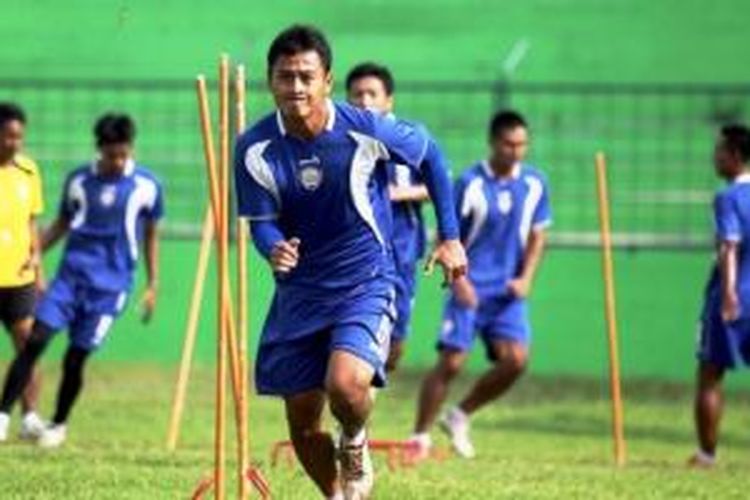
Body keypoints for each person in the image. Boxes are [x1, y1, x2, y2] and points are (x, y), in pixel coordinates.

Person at [235, 25, 466, 499]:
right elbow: (261, 221)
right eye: (285, 77)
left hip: (365, 281)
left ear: (327, 80)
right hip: (299, 291)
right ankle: (338, 494)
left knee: (345, 385)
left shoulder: (364, 127)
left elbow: (432, 156)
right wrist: (272, 246)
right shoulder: (253, 147)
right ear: (270, 80)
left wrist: (450, 237)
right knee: (302, 421)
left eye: (306, 77)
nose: (296, 88)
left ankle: (356, 440)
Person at [0, 112, 163, 448]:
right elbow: (61, 223)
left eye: (124, 154)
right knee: (35, 341)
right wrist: (36, 253)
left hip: (111, 287)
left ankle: (57, 424)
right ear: (99, 149)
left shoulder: (147, 186)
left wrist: (152, 283)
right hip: (70, 279)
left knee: (75, 357)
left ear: (131, 149)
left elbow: (151, 235)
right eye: (111, 154)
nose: (117, 161)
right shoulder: (78, 181)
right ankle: (2, 416)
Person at [411, 110, 551, 459]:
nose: (516, 151)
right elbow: (447, 234)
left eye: (521, 144)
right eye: (508, 143)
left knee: (516, 360)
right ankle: (419, 436)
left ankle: (459, 415)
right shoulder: (470, 182)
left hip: (507, 292)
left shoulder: (535, 183)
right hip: (469, 287)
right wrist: (459, 282)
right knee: (452, 362)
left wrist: (526, 278)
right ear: (492, 142)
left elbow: (538, 235)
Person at [345, 62, 430, 373]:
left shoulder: (410, 136)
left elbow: (438, 185)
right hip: (357, 250)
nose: (365, 101)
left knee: (395, 341)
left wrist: (395, 194)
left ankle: (366, 389)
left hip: (402, 248)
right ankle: (353, 396)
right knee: (357, 335)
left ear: (388, 100)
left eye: (372, 94)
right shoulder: (342, 139)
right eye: (357, 94)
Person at [690, 124, 750, 468]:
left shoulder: (728, 197)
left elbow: (730, 245)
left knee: (710, 374)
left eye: (720, 152)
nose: (715, 157)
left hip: (735, 296)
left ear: (736, 157)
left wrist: (728, 294)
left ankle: (706, 455)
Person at [0, 102, 46, 440]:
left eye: (19, 137)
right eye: (8, 136)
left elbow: (32, 222)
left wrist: (37, 263)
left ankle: (30, 417)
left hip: (19, 278)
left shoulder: (29, 171)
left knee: (29, 347)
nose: (15, 143)